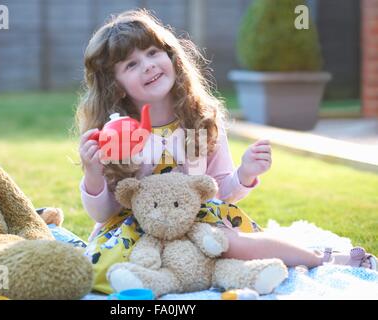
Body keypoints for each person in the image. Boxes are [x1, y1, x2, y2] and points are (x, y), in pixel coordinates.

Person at [75, 9, 376, 294]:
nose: (148, 65)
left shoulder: (200, 120)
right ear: (116, 86)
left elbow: (219, 193)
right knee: (104, 271)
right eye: (131, 64)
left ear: (171, 56)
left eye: (152, 52)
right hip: (140, 225)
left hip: (198, 221)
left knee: (233, 243)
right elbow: (105, 213)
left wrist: (245, 174)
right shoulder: (117, 134)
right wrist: (93, 173)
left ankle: (322, 259)